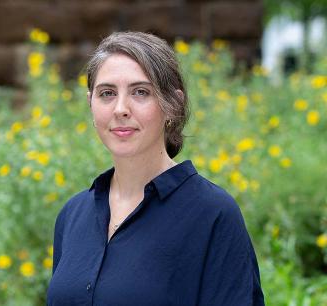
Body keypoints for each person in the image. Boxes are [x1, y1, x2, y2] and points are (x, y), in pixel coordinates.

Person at [46, 31, 265, 306]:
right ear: (91, 104)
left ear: (173, 105)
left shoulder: (213, 215)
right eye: (107, 93)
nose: (120, 109)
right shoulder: (72, 215)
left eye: (140, 92)